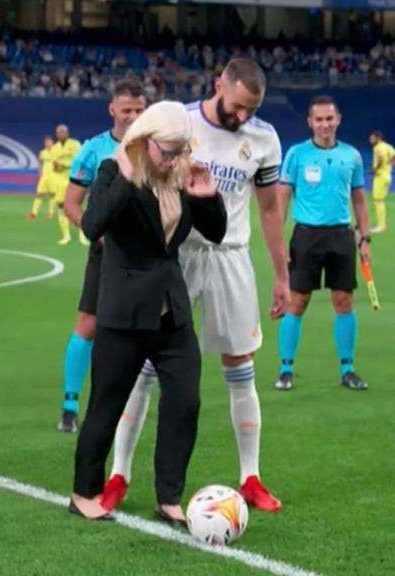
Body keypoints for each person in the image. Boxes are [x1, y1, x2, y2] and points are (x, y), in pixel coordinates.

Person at [102, 59, 288, 513]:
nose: (243, 116)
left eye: (251, 109)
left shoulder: (264, 140)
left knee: (239, 365)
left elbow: (268, 210)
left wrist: (282, 275)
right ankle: (119, 475)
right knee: (146, 365)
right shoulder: (178, 122)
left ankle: (251, 477)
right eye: (238, 105)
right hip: (177, 258)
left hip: (230, 257)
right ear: (218, 84)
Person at [71, 100, 227, 523]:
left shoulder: (180, 175)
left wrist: (208, 194)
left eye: (181, 150)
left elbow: (216, 232)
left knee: (185, 401)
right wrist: (123, 174)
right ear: (143, 143)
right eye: (166, 151)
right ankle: (84, 492)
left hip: (171, 313)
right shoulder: (112, 171)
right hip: (124, 312)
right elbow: (91, 226)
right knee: (106, 404)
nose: (175, 159)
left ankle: (169, 497)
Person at [56, 80, 146, 433]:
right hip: (107, 254)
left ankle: (138, 405)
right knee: (89, 324)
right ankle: (69, 404)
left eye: (139, 110)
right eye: (127, 110)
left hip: (149, 255)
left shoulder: (157, 147)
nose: (134, 116)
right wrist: (96, 230)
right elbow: (71, 203)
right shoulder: (94, 150)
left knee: (151, 329)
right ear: (113, 110)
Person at [275, 95, 372, 392]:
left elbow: (358, 199)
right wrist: (277, 241)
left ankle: (348, 369)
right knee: (297, 302)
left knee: (343, 301)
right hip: (306, 235)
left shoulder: (352, 156)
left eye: (329, 118)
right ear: (310, 122)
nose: (325, 124)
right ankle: (286, 369)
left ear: (338, 119)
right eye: (319, 119)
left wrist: (364, 237)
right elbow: (282, 197)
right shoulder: (297, 154)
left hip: (341, 235)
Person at [50, 125, 82, 245]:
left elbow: (78, 159)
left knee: (77, 205)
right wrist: (61, 164)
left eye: (63, 132)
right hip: (60, 180)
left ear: (67, 132)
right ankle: (66, 236)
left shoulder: (75, 144)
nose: (61, 134)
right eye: (59, 132)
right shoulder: (54, 148)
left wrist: (64, 163)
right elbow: (55, 165)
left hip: (74, 178)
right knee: (61, 206)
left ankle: (83, 235)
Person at [368, 131, 395, 234]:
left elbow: (380, 158)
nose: (371, 140)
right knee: (379, 200)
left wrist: (375, 169)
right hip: (387, 175)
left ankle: (381, 226)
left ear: (378, 138)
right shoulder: (387, 146)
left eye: (372, 138)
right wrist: (389, 166)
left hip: (380, 176)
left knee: (378, 200)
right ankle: (380, 224)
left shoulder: (377, 148)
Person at [29, 136, 56, 220]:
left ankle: (50, 213)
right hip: (44, 176)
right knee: (39, 194)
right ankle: (34, 213)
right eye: (46, 142)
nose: (47, 144)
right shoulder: (42, 153)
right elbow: (40, 164)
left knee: (53, 195)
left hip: (53, 177)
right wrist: (40, 173)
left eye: (49, 142)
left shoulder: (56, 152)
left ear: (52, 143)